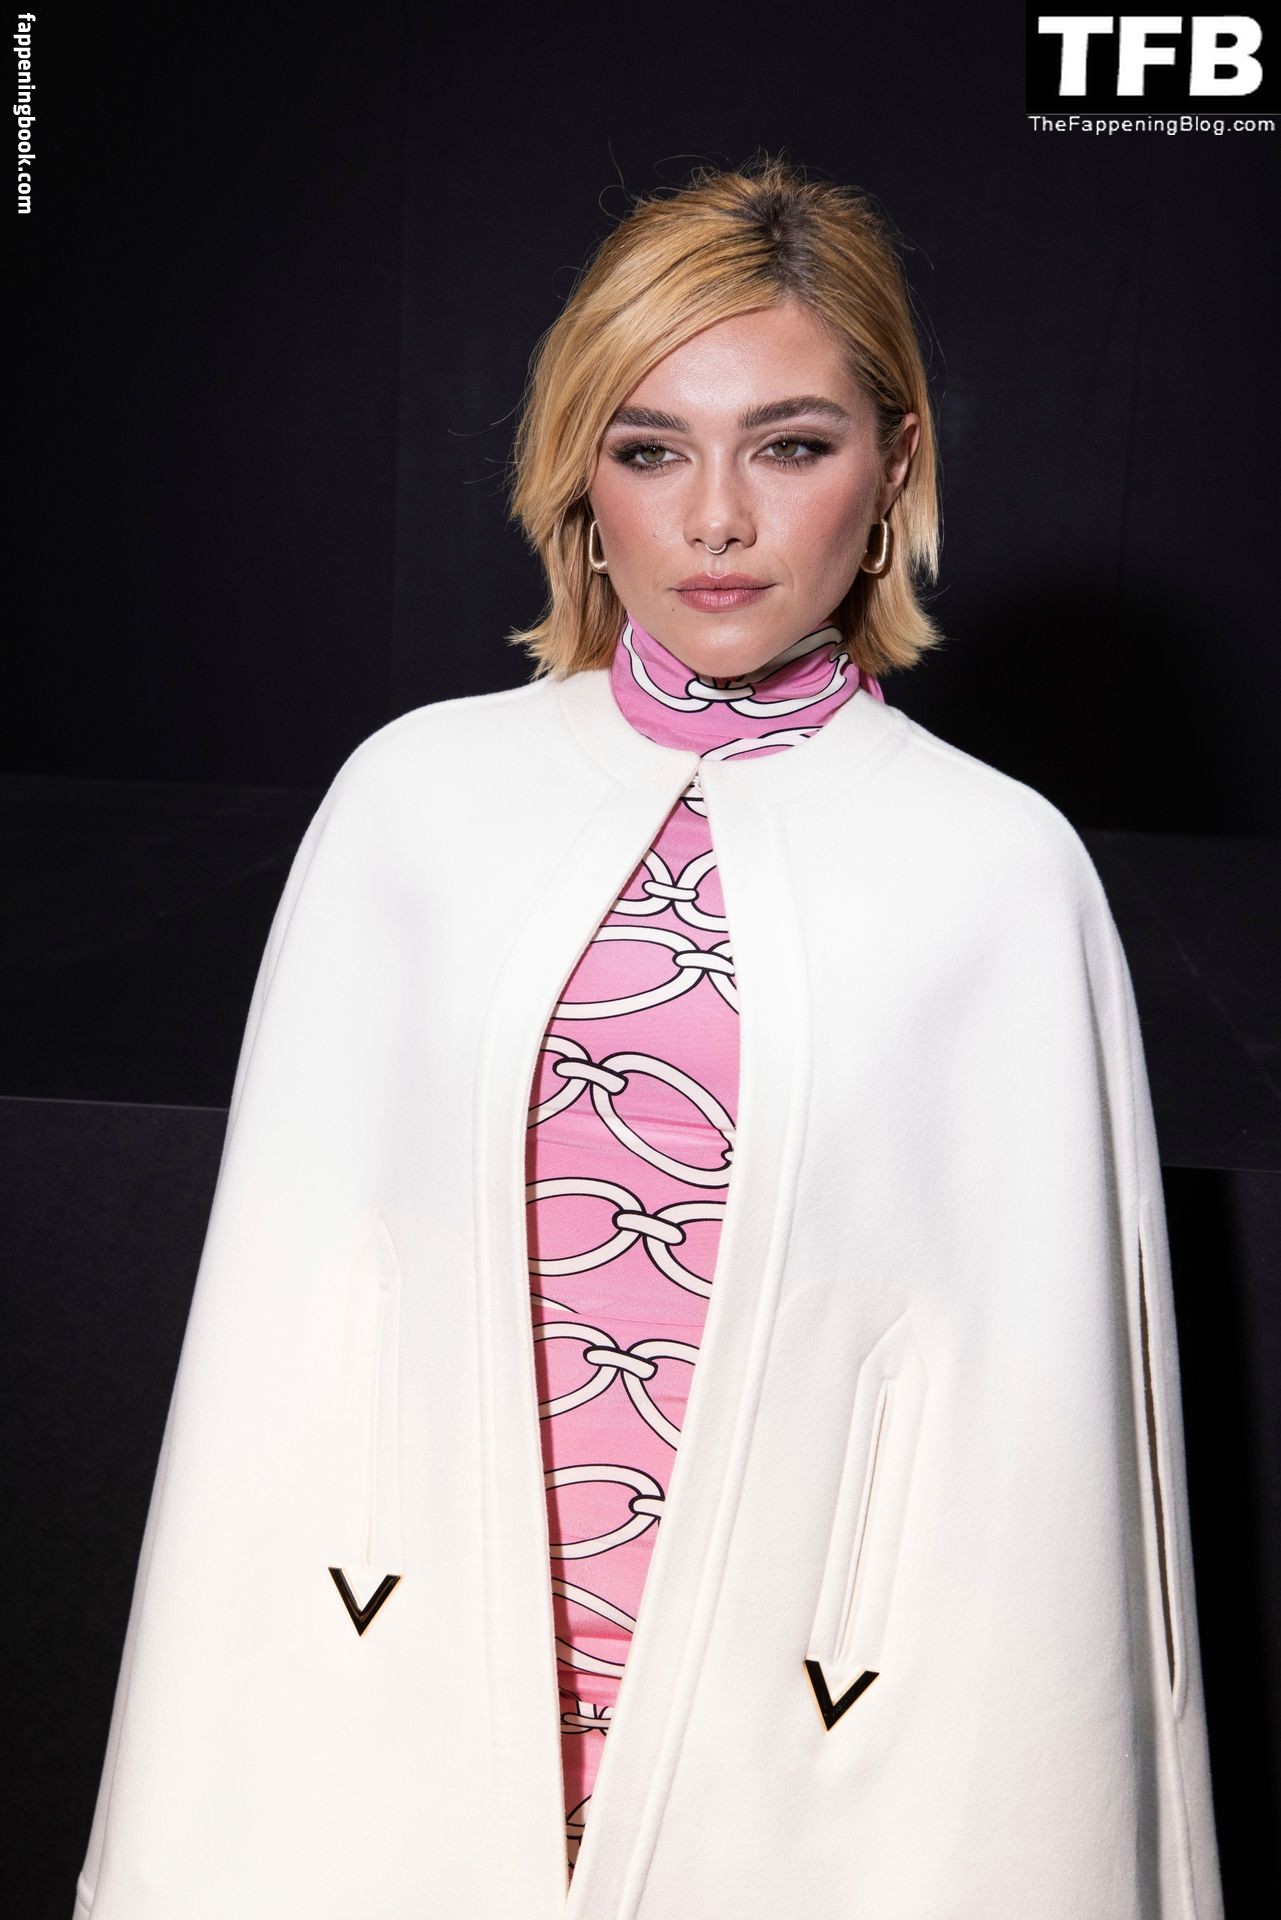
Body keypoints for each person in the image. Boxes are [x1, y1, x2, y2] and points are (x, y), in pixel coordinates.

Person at [74, 156, 1224, 1919]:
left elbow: (1049, 1444)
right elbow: (278, 1339)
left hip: (830, 1738)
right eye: (649, 447)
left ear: (893, 467)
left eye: (790, 444)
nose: (716, 520)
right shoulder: (414, 802)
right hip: (397, 1689)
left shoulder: (998, 868)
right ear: (577, 478)